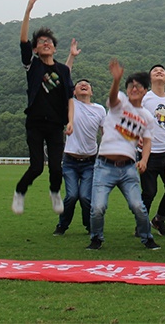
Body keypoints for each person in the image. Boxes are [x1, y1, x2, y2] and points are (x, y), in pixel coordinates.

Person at [12, 0, 76, 216]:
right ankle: (20, 192)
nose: (45, 44)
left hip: (56, 124)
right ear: (36, 49)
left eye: (49, 42)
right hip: (36, 123)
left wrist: (71, 121)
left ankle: (55, 192)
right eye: (41, 42)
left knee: (56, 167)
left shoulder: (63, 70)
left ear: (55, 49)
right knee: (37, 166)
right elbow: (23, 41)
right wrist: (28, 11)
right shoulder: (33, 66)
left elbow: (70, 97)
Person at [87, 59, 160, 250]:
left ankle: (147, 237)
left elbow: (147, 141)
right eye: (130, 86)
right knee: (98, 208)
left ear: (145, 91)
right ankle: (96, 238)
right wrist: (116, 80)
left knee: (138, 207)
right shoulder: (120, 102)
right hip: (104, 166)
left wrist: (144, 160)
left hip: (128, 169)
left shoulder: (147, 117)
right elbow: (112, 98)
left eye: (138, 86)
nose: (134, 89)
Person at [53, 79, 106, 237]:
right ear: (74, 92)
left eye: (87, 84)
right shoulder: (71, 105)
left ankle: (89, 226)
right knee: (71, 196)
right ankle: (62, 225)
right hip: (70, 161)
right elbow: (62, 84)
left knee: (85, 197)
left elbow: (105, 133)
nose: (84, 85)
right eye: (79, 84)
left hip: (90, 161)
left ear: (92, 92)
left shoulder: (100, 110)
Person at [140, 64, 165, 236]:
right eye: (155, 71)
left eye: (162, 71)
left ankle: (159, 219)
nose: (159, 72)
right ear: (150, 78)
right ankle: (141, 224)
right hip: (148, 153)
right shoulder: (144, 98)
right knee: (149, 192)